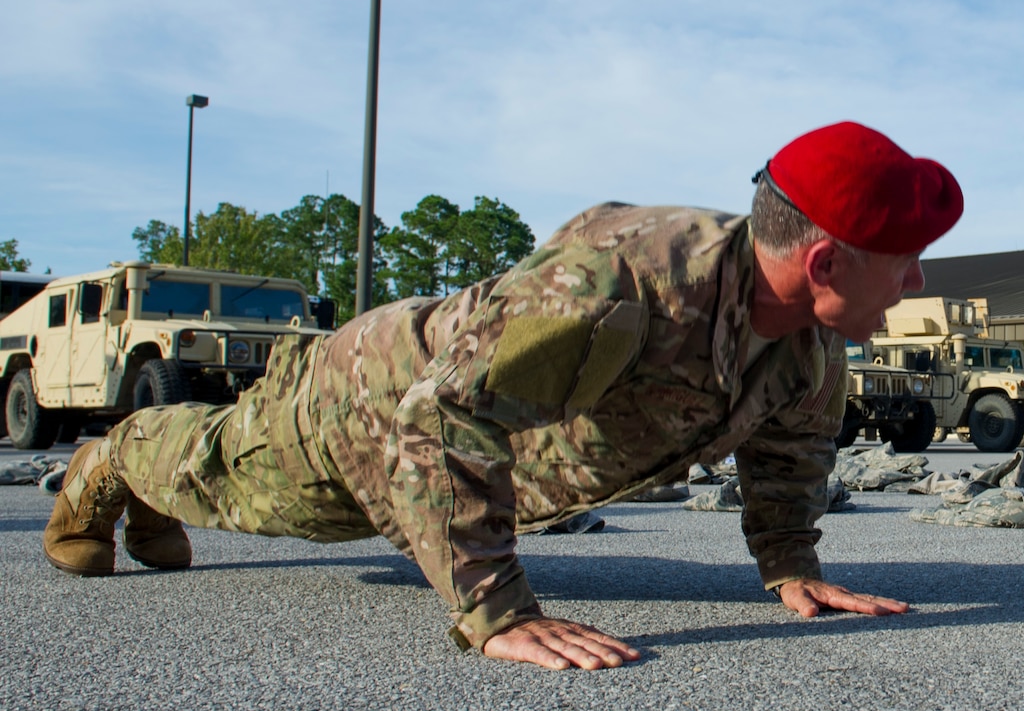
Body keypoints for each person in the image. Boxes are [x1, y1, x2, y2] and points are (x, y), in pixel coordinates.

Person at [45, 122, 962, 669]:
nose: (915, 282)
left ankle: (148, 482)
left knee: (258, 497)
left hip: (469, 444)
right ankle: (114, 459)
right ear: (825, 261)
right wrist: (499, 613)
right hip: (373, 400)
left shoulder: (811, 346)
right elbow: (442, 415)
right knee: (236, 483)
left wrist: (788, 561)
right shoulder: (618, 287)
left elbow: (787, 448)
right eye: (904, 261)